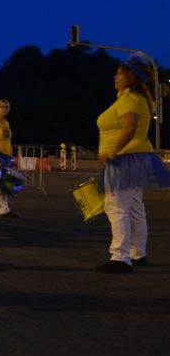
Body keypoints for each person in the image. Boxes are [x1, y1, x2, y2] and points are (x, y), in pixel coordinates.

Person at [95, 53, 170, 274]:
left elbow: (129, 127)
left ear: (130, 77)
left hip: (125, 158)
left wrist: (112, 153)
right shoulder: (134, 98)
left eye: (119, 74)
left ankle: (120, 257)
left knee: (116, 207)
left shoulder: (130, 99)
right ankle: (138, 253)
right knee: (135, 208)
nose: (114, 77)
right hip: (135, 157)